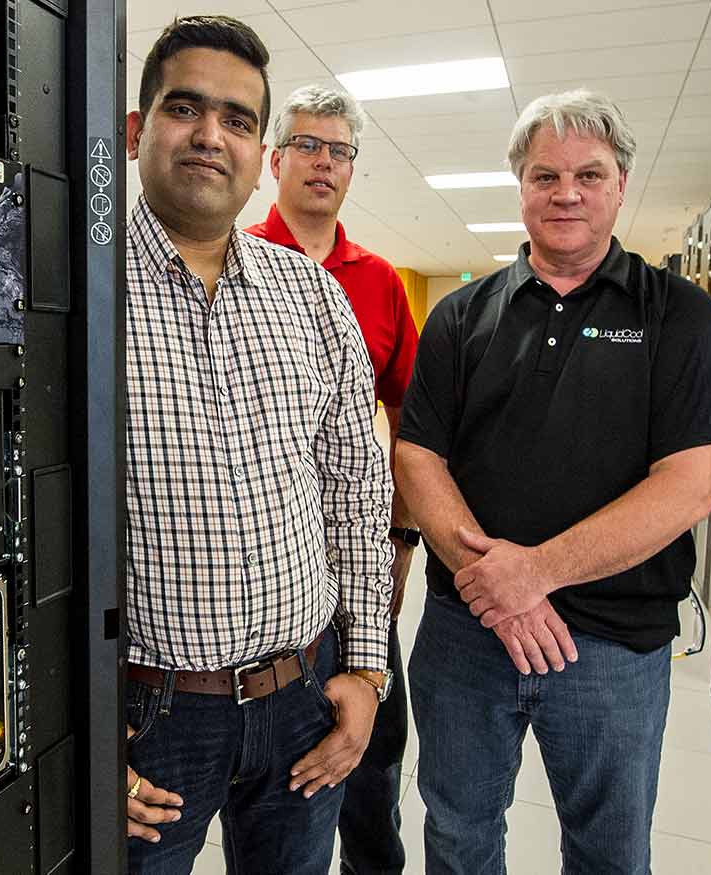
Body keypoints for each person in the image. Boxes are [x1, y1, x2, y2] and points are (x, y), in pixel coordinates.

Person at [394, 88, 711, 874]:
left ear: (621, 184)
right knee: (457, 831)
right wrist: (491, 582)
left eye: (589, 175)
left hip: (612, 646)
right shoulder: (463, 315)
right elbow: (418, 455)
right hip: (468, 635)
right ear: (520, 186)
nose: (566, 193)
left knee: (608, 850)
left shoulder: (680, 316)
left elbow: (689, 487)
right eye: (544, 175)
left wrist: (535, 573)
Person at [120, 15, 395, 875]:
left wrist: (367, 670)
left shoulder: (312, 296)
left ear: (257, 149)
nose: (211, 135)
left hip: (303, 700)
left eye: (238, 120)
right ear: (136, 131)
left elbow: (358, 491)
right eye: (185, 108)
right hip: (147, 717)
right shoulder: (72, 292)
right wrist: (69, 723)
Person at [245, 83, 420, 875]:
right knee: (276, 787)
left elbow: (417, 423)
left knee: (374, 774)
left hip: (353, 577)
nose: (324, 162)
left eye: (340, 150)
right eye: (308, 146)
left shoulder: (379, 281)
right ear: (275, 159)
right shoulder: (230, 257)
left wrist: (404, 537)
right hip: (258, 587)